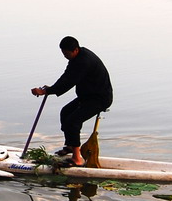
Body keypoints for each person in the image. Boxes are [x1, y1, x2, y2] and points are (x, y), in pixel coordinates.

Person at [31, 36, 113, 166]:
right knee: (65, 112)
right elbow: (67, 76)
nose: (65, 56)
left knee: (73, 121)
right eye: (63, 53)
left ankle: (77, 159)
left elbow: (69, 81)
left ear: (75, 50)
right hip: (87, 96)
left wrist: (47, 91)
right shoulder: (77, 58)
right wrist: (51, 88)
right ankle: (70, 146)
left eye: (66, 53)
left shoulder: (83, 61)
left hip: (99, 99)